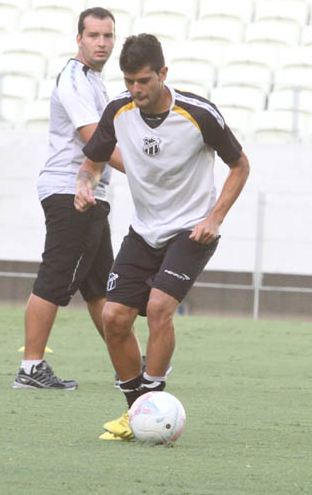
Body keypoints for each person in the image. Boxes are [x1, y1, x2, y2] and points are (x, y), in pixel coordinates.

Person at [75, 33, 250, 439]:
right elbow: (93, 161)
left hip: (191, 231)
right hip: (143, 230)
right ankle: (138, 412)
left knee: (157, 309)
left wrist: (215, 217)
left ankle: (154, 398)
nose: (136, 90)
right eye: (130, 81)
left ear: (163, 74)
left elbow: (240, 166)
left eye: (144, 81)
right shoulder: (118, 110)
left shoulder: (199, 113)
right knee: (114, 318)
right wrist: (85, 183)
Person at [12, 7, 125, 390]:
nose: (102, 43)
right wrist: (147, 171)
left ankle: (127, 365)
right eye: (94, 35)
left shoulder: (94, 81)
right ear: (79, 39)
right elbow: (94, 139)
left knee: (100, 286)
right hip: (70, 192)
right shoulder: (75, 79)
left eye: (108, 36)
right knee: (56, 276)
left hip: (91, 193)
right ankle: (30, 368)